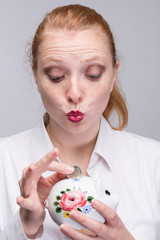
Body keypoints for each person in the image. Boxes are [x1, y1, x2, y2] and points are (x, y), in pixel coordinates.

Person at [0, 4, 160, 240]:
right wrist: (24, 229)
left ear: (114, 73)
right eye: (56, 76)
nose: (74, 93)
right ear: (35, 74)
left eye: (93, 74)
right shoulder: (4, 159)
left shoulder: (154, 162)